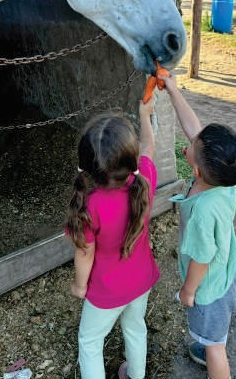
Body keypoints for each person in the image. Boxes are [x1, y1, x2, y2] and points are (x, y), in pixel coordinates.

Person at [160, 72, 236, 379]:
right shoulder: (225, 178)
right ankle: (212, 337)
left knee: (215, 347)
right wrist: (173, 90)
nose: (190, 141)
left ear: (196, 170)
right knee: (215, 334)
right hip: (225, 274)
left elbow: (202, 258)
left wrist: (188, 291)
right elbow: (194, 129)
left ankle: (213, 350)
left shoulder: (202, 211)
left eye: (191, 146)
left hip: (207, 289)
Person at [64, 103, 159, 379]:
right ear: (131, 159)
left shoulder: (89, 205)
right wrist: (144, 115)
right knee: (135, 327)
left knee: (90, 342)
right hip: (141, 281)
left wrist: (80, 286)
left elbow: (85, 253)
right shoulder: (144, 181)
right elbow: (149, 146)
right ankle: (136, 375)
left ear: (87, 166)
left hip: (106, 291)